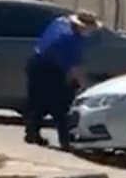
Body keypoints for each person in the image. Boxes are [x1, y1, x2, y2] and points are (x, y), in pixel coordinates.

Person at [24, 10, 99, 149]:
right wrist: (86, 87)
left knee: (37, 101)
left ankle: (32, 133)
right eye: (91, 29)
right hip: (48, 69)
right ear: (82, 27)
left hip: (35, 62)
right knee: (61, 105)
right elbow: (75, 69)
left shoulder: (60, 22)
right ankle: (65, 141)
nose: (92, 32)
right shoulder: (71, 39)